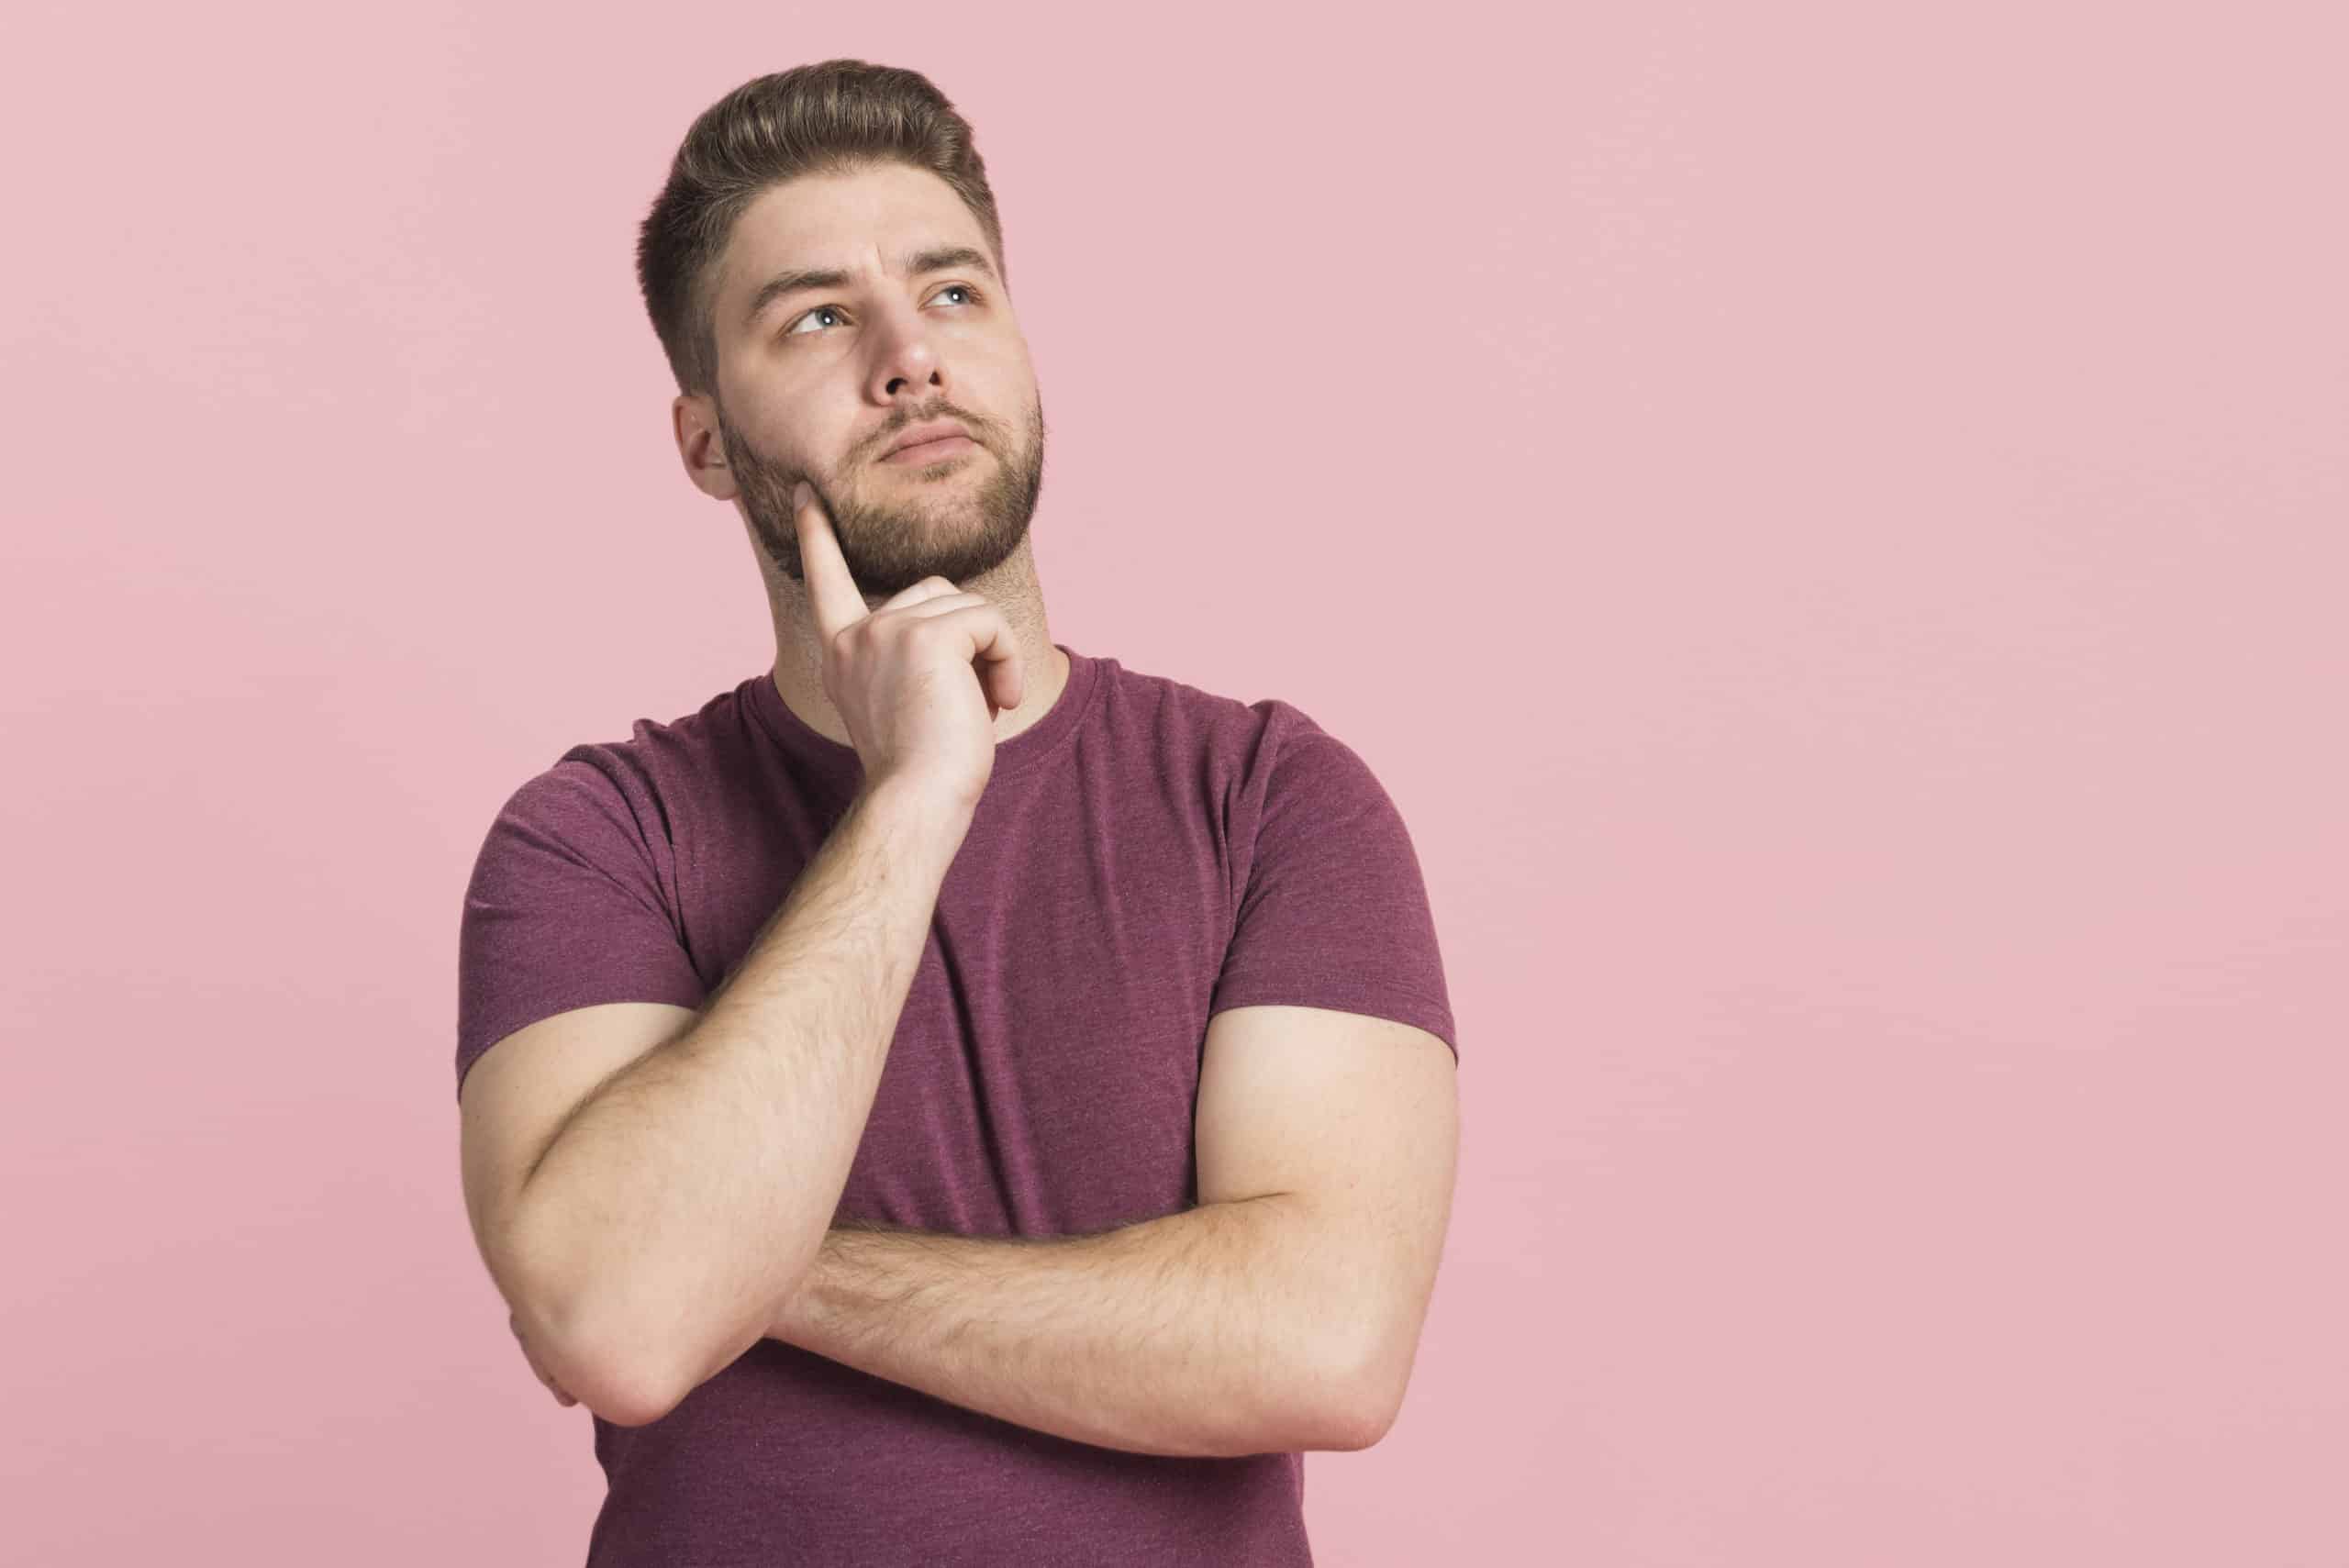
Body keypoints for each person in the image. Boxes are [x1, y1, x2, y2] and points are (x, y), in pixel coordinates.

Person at [454, 58, 1460, 1566]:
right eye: (816, 317)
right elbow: (618, 1320)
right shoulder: (597, 837)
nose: (907, 357)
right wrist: (918, 791)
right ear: (709, 442)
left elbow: (1324, 1340)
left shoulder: (1273, 797)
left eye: (953, 295)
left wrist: (757, 1269)